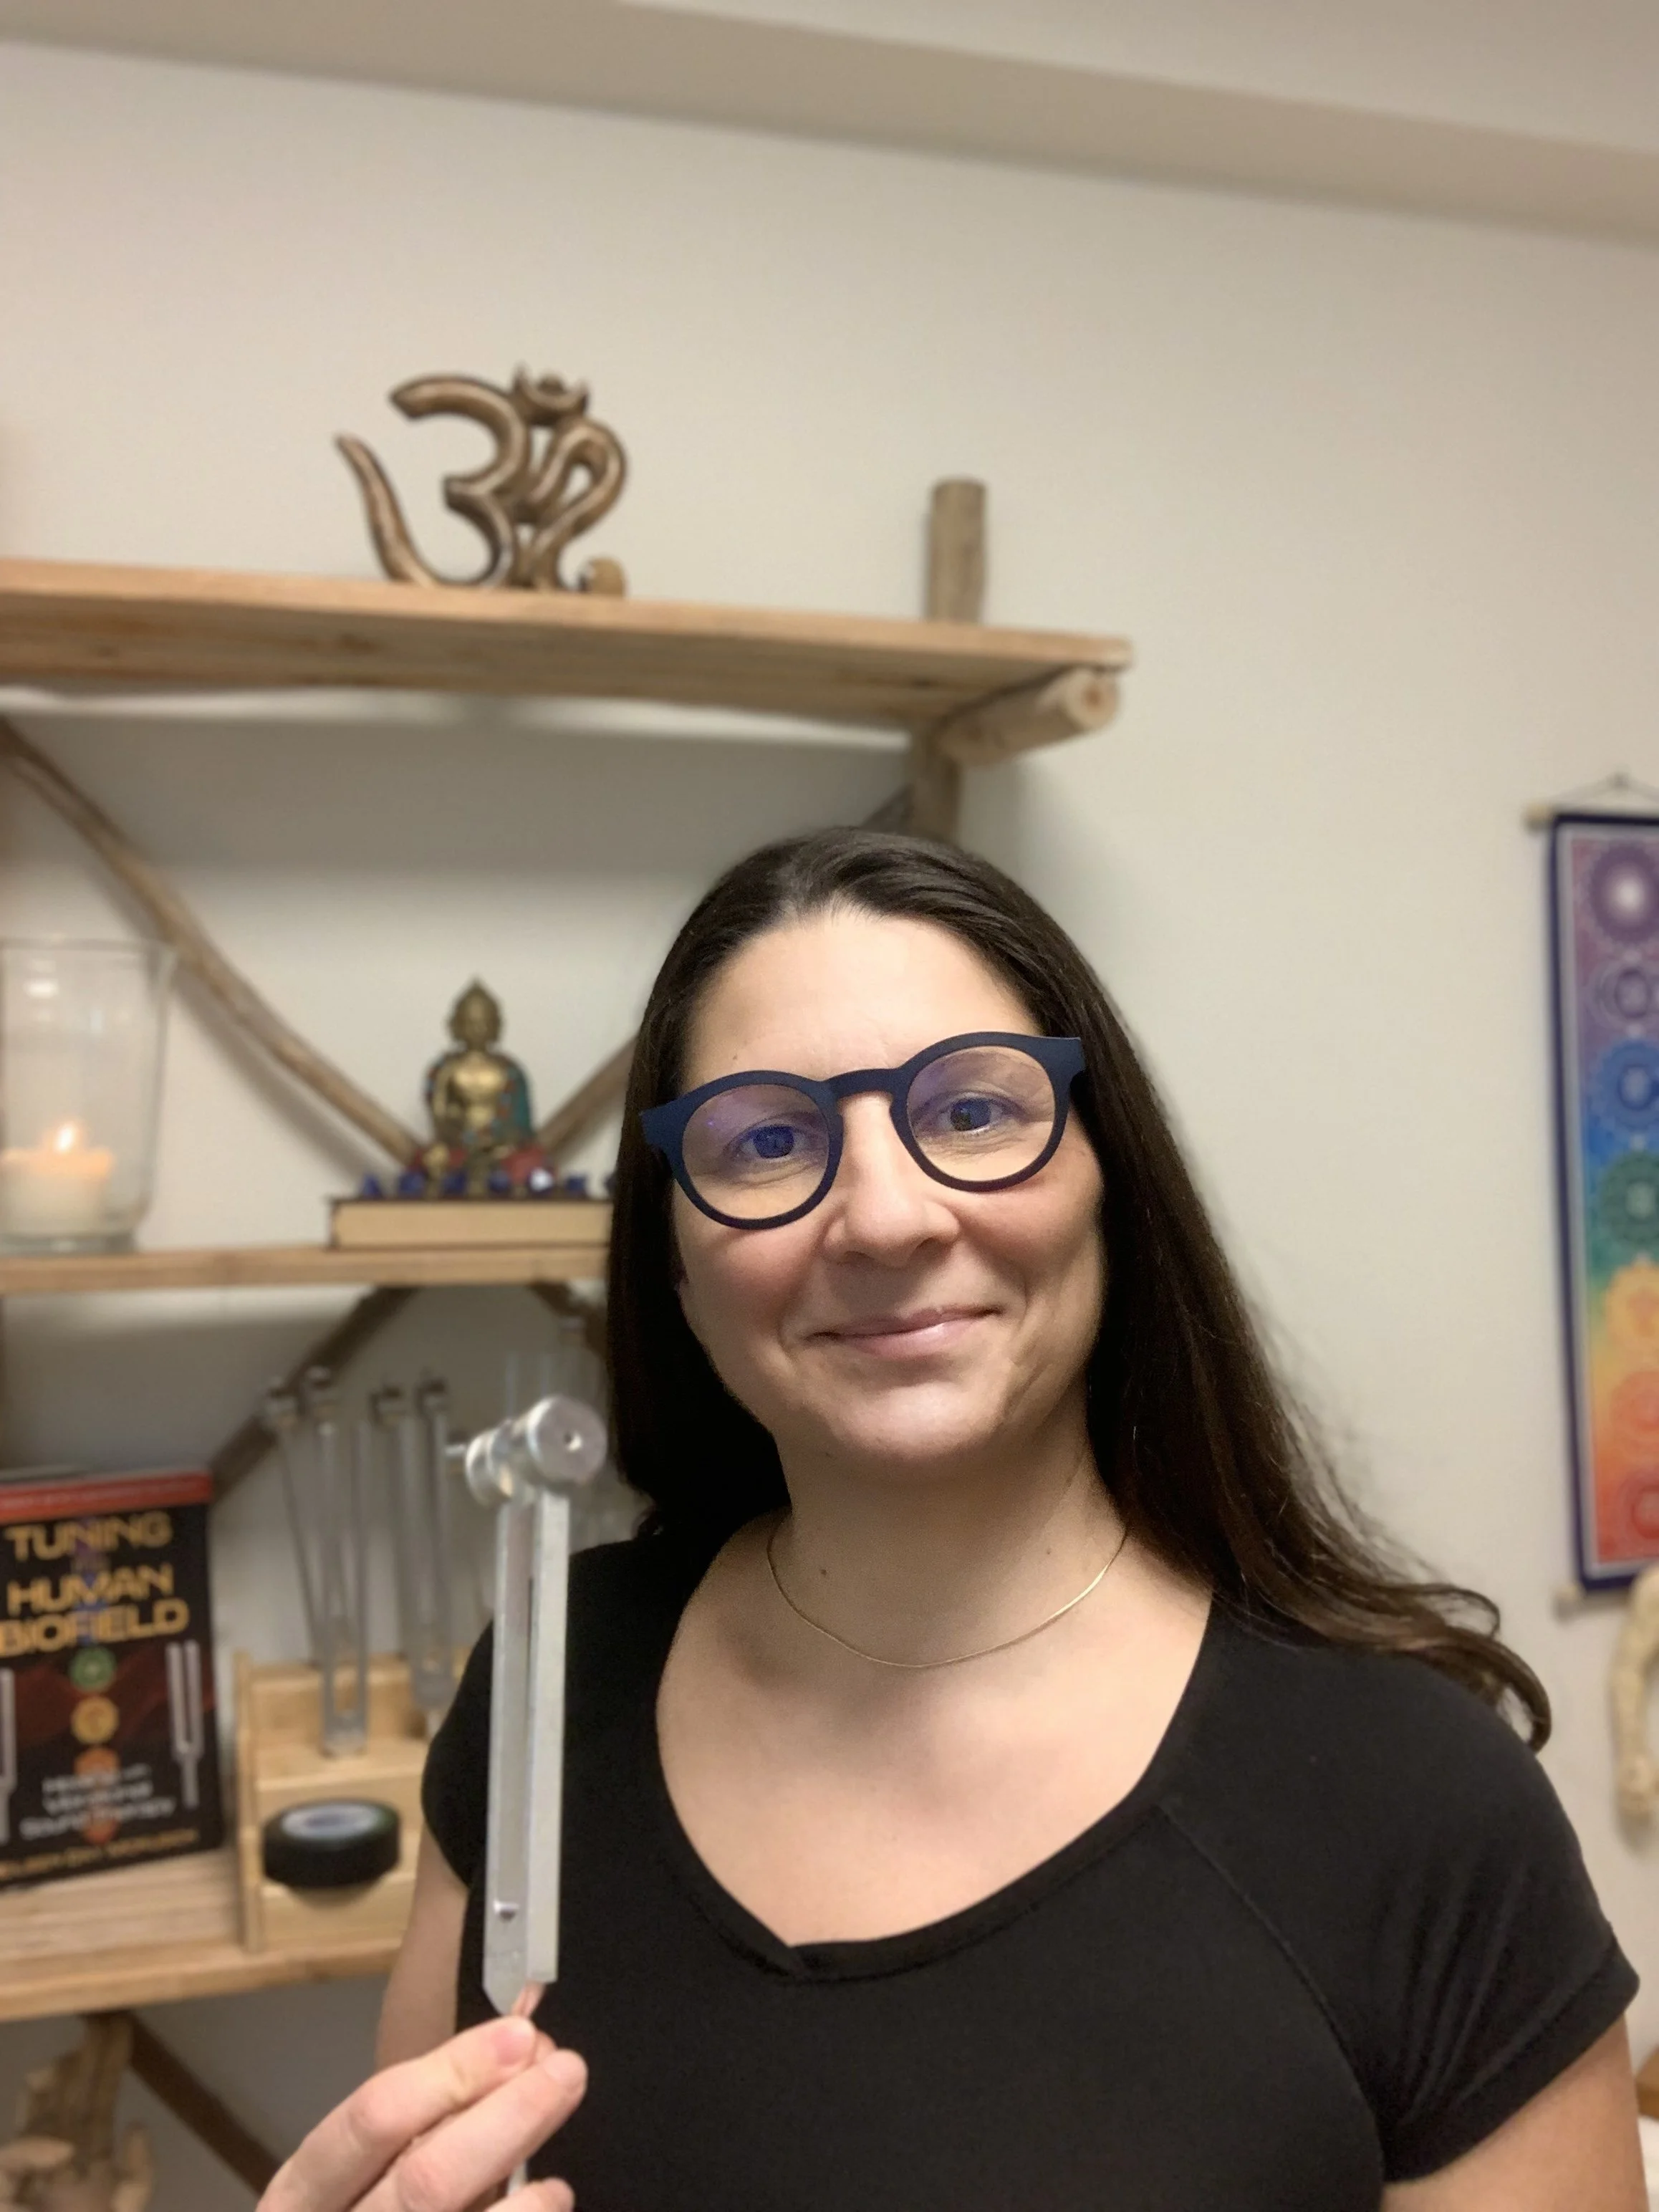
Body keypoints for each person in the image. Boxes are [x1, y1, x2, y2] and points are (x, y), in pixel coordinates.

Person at [263, 829, 1645, 2212]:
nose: (884, 1217)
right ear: (675, 1265)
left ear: (1114, 1184)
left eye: (973, 1113)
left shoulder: (1415, 1811)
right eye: (766, 1140)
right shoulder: (554, 1687)